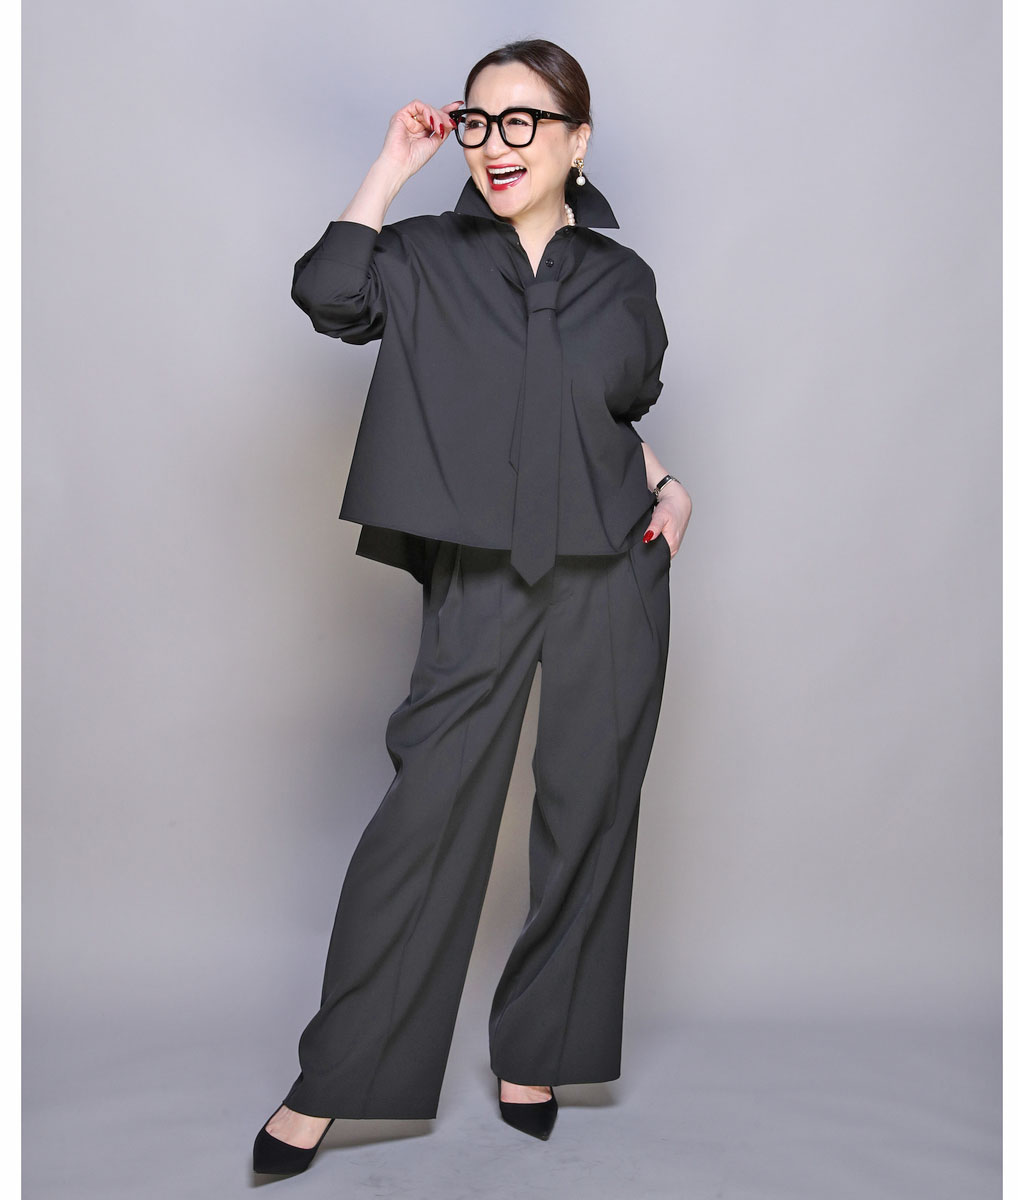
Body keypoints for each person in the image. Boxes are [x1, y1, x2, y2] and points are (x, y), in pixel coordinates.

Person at [253, 38, 692, 1176]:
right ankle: (338, 1080)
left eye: (524, 121)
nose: (498, 144)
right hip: (484, 576)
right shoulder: (419, 257)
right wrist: (389, 166)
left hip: (613, 567)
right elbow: (326, 294)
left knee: (590, 810)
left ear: (577, 140)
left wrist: (669, 488)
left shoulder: (623, 279)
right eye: (479, 121)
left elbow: (609, 413)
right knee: (429, 816)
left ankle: (536, 1052)